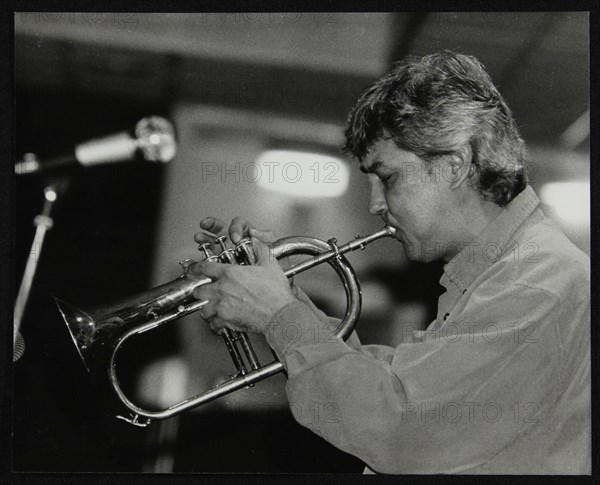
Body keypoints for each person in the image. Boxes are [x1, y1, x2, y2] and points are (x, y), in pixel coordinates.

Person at [188, 51, 590, 474]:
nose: (375, 204)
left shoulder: (534, 283)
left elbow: (402, 427)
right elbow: (400, 390)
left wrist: (278, 316)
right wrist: (281, 296)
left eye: (388, 177)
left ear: (454, 165)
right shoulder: (505, 272)